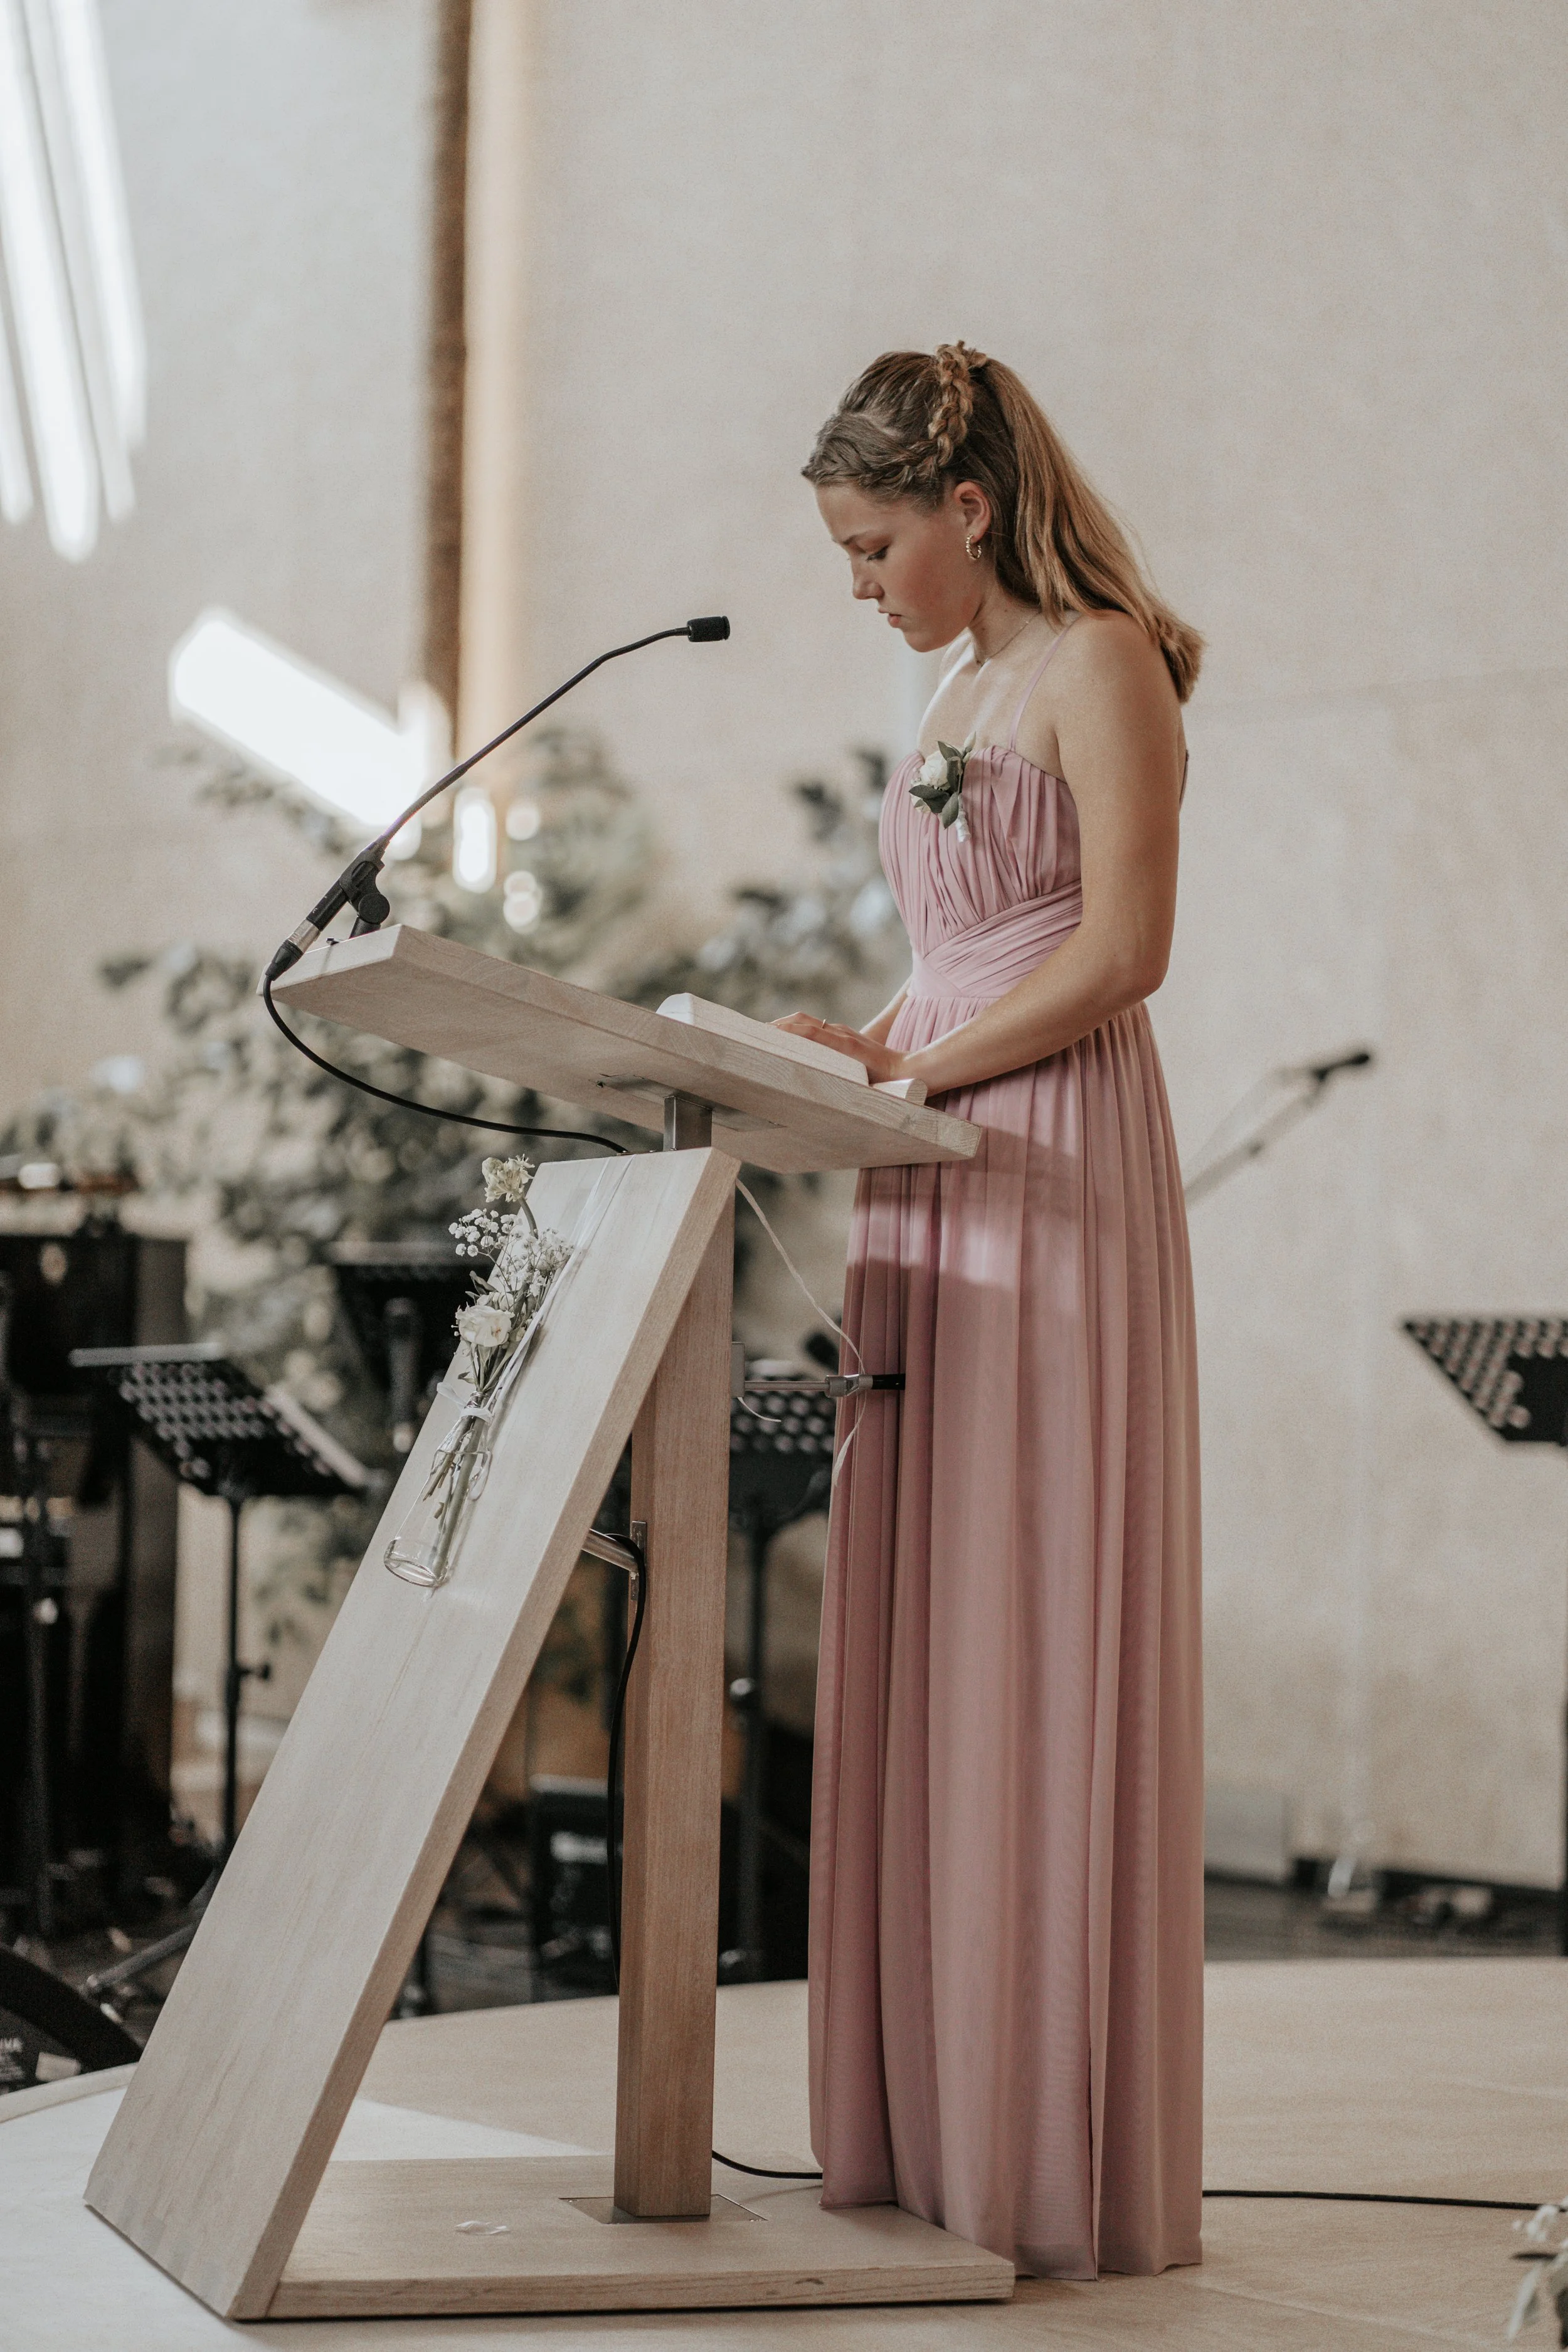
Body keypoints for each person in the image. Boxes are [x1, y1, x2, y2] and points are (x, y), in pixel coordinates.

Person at [778, 343, 1203, 2280]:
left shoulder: (1102, 661)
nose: (862, 586)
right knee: (932, 1590)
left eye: (874, 548)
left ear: (967, 503)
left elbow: (1120, 950)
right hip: (932, 1137)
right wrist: (855, 1048)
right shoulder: (955, 687)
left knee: (1023, 1586)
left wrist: (916, 1073)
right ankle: (927, 2109)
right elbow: (952, 954)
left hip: (1038, 1149)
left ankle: (1034, 2132)